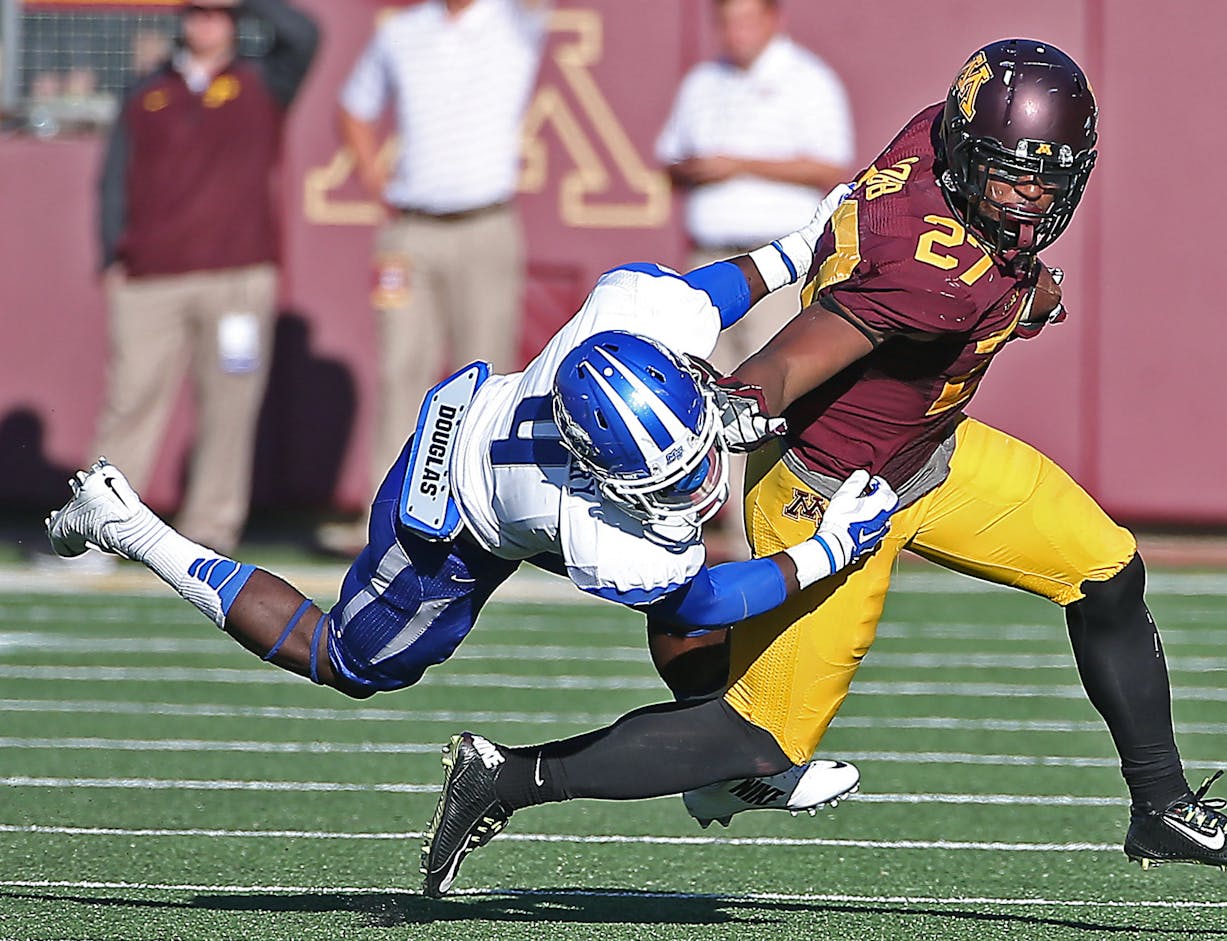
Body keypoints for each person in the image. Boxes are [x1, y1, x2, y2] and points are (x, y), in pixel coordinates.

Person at [414, 39, 1227, 898]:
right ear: (965, 150)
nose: (1033, 197)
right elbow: (802, 353)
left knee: (1107, 567)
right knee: (756, 739)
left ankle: (1162, 806)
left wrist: (1020, 292)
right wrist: (741, 393)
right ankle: (507, 776)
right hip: (831, 493)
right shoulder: (935, 273)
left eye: (1051, 176)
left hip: (930, 454)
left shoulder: (930, 138)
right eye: (1016, 173)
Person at [46, 190, 896, 896]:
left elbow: (714, 288)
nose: (697, 484)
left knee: (685, 591)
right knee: (351, 662)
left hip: (520, 438)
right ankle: (127, 523)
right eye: (667, 483)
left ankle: (720, 759)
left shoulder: (637, 310)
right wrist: (829, 548)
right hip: (456, 502)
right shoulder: (604, 535)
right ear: (607, 480)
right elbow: (702, 596)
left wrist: (804, 241)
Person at [91, 0, 318, 555]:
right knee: (130, 399)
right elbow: (114, 178)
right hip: (153, 278)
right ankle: (101, 529)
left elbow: (305, 35)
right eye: (197, 11)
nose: (207, 22)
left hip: (236, 279)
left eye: (219, 12)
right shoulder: (147, 92)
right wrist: (109, 256)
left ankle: (209, 533)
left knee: (229, 406)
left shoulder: (261, 80)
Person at [655, 0, 852, 557]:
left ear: (773, 20)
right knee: (697, 391)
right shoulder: (702, 83)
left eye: (748, 19)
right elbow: (671, 157)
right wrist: (700, 167)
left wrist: (738, 163)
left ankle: (776, 529)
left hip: (779, 260)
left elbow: (828, 165)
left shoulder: (808, 80)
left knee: (774, 395)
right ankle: (691, 525)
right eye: (729, 20)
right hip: (712, 258)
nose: (737, 32)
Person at [337, 0, 548, 512]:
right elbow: (354, 106)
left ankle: (485, 511)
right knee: (401, 368)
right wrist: (373, 175)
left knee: (488, 373)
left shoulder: (513, 21)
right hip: (411, 228)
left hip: (485, 221)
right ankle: (388, 510)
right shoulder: (403, 32)